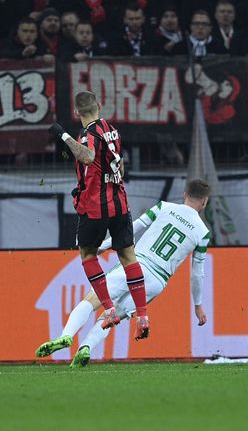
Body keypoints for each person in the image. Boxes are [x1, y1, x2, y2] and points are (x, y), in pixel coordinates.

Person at [35, 180, 212, 367]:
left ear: (185, 194)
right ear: (204, 202)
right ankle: (86, 347)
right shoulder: (203, 233)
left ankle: (66, 336)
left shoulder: (164, 207)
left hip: (136, 265)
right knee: (114, 317)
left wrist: (103, 246)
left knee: (93, 300)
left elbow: (133, 227)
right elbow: (197, 273)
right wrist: (198, 304)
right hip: (157, 281)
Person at [46, 90, 150, 341]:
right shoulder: (111, 129)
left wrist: (62, 135)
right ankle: (143, 316)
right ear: (99, 106)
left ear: (76, 112)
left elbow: (88, 156)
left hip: (95, 205)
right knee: (128, 256)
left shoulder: (88, 134)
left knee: (88, 254)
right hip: (120, 202)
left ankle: (110, 309)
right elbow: (120, 165)